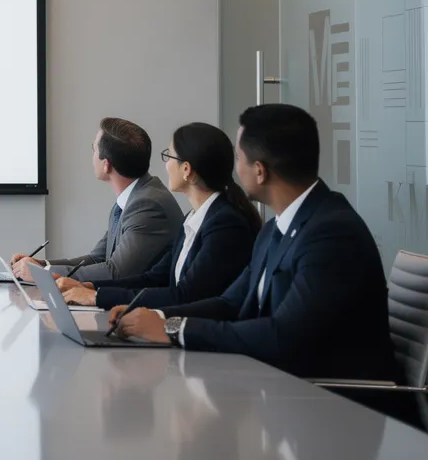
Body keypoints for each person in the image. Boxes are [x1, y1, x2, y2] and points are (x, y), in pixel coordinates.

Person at [112, 104, 401, 385]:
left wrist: (174, 329)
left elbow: (284, 336)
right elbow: (231, 303)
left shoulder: (332, 234)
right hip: (284, 390)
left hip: (341, 407)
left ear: (260, 171)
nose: (234, 170)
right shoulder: (277, 228)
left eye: (239, 159)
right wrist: (156, 318)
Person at [59, 122, 261, 309]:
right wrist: (92, 287)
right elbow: (153, 278)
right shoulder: (193, 218)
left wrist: (97, 297)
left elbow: (186, 295)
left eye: (169, 156)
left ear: (186, 170)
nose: (165, 165)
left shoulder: (224, 224)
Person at [11, 118, 184, 283]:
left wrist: (42, 274)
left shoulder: (147, 205)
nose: (92, 154)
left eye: (94, 149)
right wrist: (41, 265)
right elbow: (97, 258)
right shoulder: (134, 198)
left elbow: (116, 272)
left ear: (106, 164)